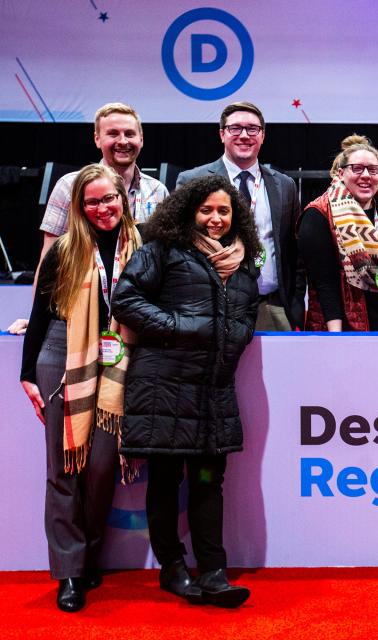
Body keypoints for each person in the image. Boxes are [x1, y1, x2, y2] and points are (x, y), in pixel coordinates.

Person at [111, 175, 261, 608]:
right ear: (188, 212)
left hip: (213, 390)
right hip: (164, 385)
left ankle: (214, 573)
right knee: (164, 481)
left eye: (224, 211)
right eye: (206, 210)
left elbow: (246, 313)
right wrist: (178, 327)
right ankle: (172, 568)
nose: (216, 219)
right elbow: (126, 299)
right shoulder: (163, 250)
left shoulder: (243, 263)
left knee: (208, 481)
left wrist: (237, 334)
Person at [19, 164, 143, 612]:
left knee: (102, 468)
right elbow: (40, 312)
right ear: (79, 207)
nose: (102, 208)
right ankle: (69, 572)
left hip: (119, 359)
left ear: (123, 198)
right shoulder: (64, 250)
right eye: (92, 202)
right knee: (63, 469)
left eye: (109, 198)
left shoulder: (144, 249)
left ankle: (89, 553)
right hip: (61, 353)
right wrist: (27, 372)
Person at [7, 102, 166, 334]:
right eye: (112, 133)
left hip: (140, 318)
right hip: (80, 317)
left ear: (141, 139)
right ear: (97, 139)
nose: (122, 141)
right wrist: (36, 318)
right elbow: (48, 258)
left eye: (130, 133)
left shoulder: (159, 191)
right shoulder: (68, 186)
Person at [176, 101, 304, 330]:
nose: (244, 135)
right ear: (222, 134)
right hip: (214, 309)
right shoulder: (192, 181)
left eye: (252, 129)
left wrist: (293, 306)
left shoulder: (285, 185)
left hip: (272, 307)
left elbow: (295, 253)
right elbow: (179, 249)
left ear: (263, 136)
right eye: (235, 128)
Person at [298, 135, 378, 331]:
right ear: (340, 173)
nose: (366, 175)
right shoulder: (318, 214)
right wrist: (335, 339)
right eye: (357, 168)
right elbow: (324, 285)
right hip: (350, 327)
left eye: (373, 169)